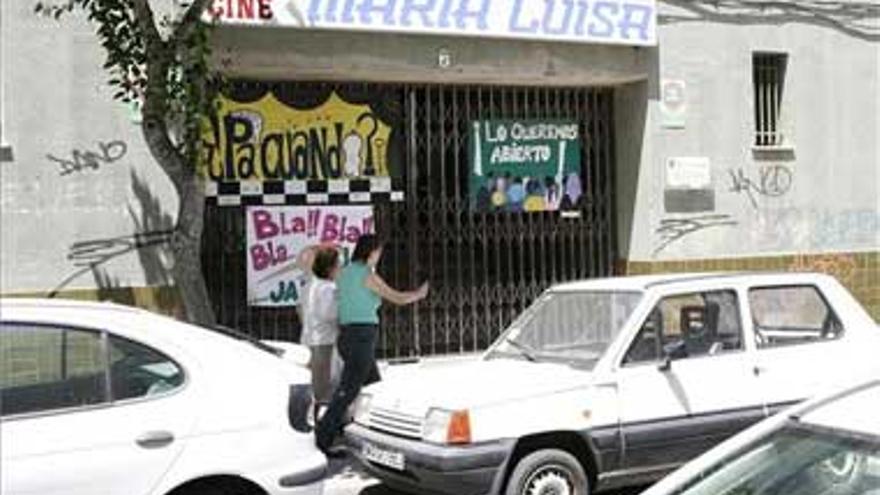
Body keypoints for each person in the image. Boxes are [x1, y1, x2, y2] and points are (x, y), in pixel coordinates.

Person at [315, 234, 429, 454]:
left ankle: (372, 435)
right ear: (371, 252)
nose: (379, 256)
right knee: (347, 391)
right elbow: (397, 298)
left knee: (375, 387)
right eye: (378, 252)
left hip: (347, 336)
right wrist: (419, 294)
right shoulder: (368, 275)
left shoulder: (344, 272)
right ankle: (322, 439)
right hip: (361, 337)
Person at [300, 245, 342, 422]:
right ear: (330, 268)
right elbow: (330, 314)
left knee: (316, 384)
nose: (340, 269)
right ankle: (324, 424)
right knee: (325, 387)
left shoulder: (310, 285)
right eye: (338, 265)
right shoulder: (328, 289)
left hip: (310, 338)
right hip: (325, 340)